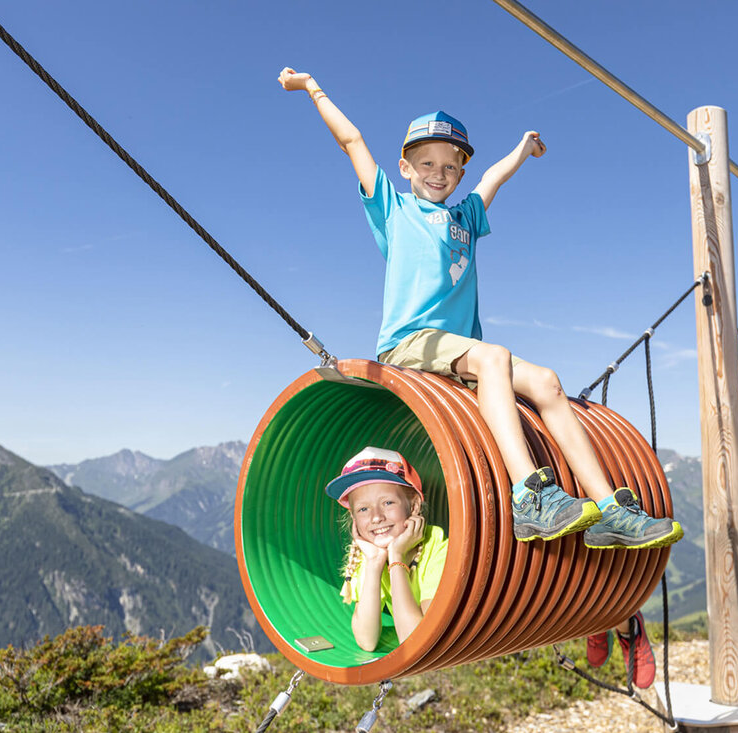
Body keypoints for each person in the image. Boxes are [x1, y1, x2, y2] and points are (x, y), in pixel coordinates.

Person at [278, 66, 682, 552]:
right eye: (425, 164)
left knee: (547, 381)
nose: (438, 174)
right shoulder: (394, 208)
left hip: (459, 353)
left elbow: (494, 177)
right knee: (495, 355)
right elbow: (352, 141)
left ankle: (611, 510)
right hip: (409, 344)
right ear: (405, 168)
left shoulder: (466, 217)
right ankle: (530, 496)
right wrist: (312, 89)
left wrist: (524, 150)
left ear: (460, 173)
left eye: (449, 167)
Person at [326, 446, 448, 652]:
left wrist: (397, 557)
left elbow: (416, 640)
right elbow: (367, 640)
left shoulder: (438, 549)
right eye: (363, 509)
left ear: (414, 505)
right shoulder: (369, 554)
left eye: (388, 502)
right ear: (355, 519)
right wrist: (374, 563)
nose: (376, 517)